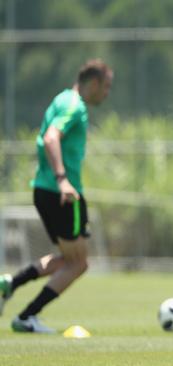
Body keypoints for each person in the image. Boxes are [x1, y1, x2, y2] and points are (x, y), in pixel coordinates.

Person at [0, 59, 113, 333]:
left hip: (44, 189)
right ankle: (27, 316)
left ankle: (10, 285)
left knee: (67, 259)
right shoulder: (75, 106)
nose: (107, 93)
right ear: (94, 83)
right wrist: (63, 181)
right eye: (106, 87)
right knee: (79, 263)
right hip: (63, 193)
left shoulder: (61, 99)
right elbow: (51, 138)